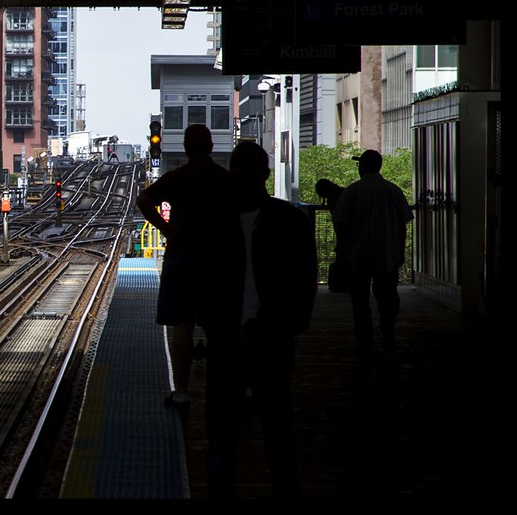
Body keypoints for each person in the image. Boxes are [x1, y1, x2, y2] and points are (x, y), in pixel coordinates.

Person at [202, 140, 317, 498]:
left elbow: (201, 283)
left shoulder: (212, 220)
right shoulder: (290, 221)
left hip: (232, 342)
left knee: (222, 442)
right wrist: (278, 326)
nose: (248, 176)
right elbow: (303, 283)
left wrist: (217, 327)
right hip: (269, 342)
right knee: (278, 439)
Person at [136, 124, 232, 407]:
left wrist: (166, 229)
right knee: (218, 325)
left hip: (181, 255)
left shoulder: (177, 177)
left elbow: (143, 200)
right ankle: (222, 388)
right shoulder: (224, 179)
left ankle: (181, 391)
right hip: (218, 259)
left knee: (182, 324)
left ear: (186, 148)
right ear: (211, 147)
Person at [332, 149, 414, 351]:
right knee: (387, 297)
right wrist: (400, 251)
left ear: (362, 167)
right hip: (386, 253)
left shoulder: (352, 191)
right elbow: (403, 223)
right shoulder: (392, 191)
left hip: (357, 254)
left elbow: (341, 224)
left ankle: (364, 337)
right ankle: (388, 333)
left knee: (360, 300)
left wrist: (342, 251)